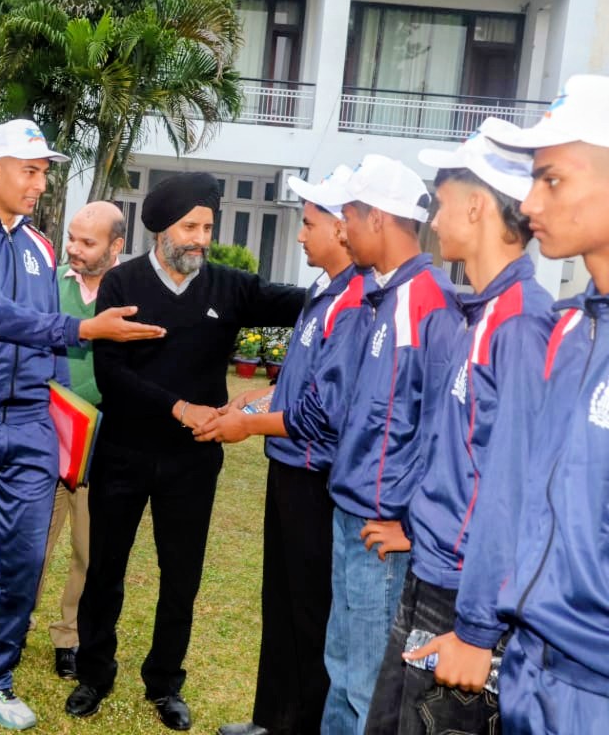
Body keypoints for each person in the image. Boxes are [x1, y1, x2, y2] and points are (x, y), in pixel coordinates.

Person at [0, 119, 165, 735]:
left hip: (31, 423)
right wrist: (86, 329)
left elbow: (45, 336)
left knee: (24, 562)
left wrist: (62, 402)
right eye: (30, 171)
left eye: (45, 172)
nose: (40, 183)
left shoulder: (39, 246)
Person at [63, 172, 304, 731]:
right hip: (123, 452)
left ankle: (165, 682)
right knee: (105, 569)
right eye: (190, 226)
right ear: (161, 229)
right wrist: (180, 408)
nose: (201, 237)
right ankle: (94, 674)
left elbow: (303, 303)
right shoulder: (122, 284)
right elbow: (110, 375)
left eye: (208, 226)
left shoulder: (230, 286)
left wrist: (355, 277)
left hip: (194, 461)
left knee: (182, 576)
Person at [409, 74, 609, 734]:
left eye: (551, 180)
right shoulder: (576, 331)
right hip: (533, 665)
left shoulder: (530, 323)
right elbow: (522, 492)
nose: (529, 202)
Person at [359, 123, 554, 734]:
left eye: (441, 204)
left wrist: (474, 626)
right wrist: (416, 528)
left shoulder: (519, 323)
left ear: (477, 206)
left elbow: (510, 482)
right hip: (436, 571)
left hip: (465, 593)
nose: (434, 219)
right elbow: (459, 456)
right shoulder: (482, 311)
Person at [207, 166, 371, 735]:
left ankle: (298, 724)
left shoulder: (355, 301)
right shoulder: (323, 292)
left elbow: (325, 411)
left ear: (344, 230)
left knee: (308, 613)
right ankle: (270, 721)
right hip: (288, 468)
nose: (300, 235)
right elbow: (304, 383)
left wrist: (250, 428)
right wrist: (258, 398)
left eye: (309, 224)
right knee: (279, 604)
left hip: (314, 477)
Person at [314, 155, 464, 734]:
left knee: (367, 685)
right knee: (342, 670)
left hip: (383, 534)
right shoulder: (383, 298)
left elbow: (446, 431)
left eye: (348, 214)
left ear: (377, 218)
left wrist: (410, 527)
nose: (342, 229)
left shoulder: (427, 305)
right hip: (353, 517)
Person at [35, 200, 125, 681]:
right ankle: (6, 623)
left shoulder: (131, 294)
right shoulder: (48, 286)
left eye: (87, 243)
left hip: (103, 449)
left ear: (116, 246)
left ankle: (69, 637)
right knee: (28, 543)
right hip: (46, 440)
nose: (73, 249)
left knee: (89, 552)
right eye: (71, 238)